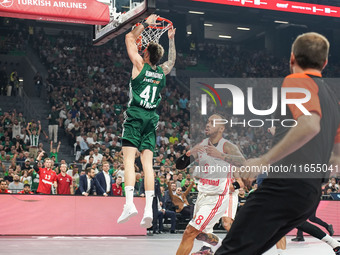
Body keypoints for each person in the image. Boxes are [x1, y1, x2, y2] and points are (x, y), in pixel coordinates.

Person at [216, 32, 340, 255]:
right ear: (325, 62)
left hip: (284, 186)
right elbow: (336, 158)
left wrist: (263, 160)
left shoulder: (298, 80)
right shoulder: (332, 98)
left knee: (231, 250)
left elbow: (310, 124)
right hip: (310, 195)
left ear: (292, 58)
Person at [117, 14, 176, 228]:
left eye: (144, 50)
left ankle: (130, 204)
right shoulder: (162, 71)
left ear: (147, 53)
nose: (141, 50)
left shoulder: (140, 65)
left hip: (136, 115)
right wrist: (171, 39)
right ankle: (148, 210)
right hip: (151, 119)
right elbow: (171, 61)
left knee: (128, 160)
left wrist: (145, 24)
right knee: (148, 166)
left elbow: (128, 38)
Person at [176, 114, 245, 255]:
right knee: (200, 235)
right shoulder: (202, 144)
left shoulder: (227, 146)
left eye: (212, 123)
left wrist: (220, 155)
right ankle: (224, 247)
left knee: (189, 232)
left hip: (217, 198)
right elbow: (180, 166)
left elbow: (243, 162)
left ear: (221, 128)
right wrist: (186, 156)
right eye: (207, 122)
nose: (207, 125)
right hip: (202, 196)